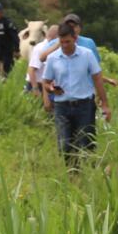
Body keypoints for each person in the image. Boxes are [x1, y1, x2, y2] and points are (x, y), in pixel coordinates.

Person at [39, 21, 110, 163]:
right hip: (62, 106)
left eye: (68, 42)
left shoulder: (87, 54)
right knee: (64, 145)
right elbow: (46, 82)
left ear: (75, 39)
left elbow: (97, 79)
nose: (65, 45)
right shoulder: (53, 58)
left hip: (84, 105)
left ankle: (89, 174)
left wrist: (105, 104)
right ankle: (72, 174)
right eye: (62, 42)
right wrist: (50, 90)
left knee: (86, 142)